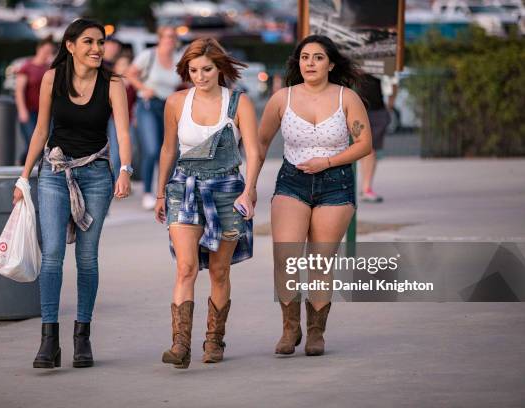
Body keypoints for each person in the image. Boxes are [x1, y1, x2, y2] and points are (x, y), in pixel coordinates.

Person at [13, 19, 133, 369]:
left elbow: (123, 133)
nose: (97, 49)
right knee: (51, 256)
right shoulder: (53, 78)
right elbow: (40, 131)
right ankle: (49, 340)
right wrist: (23, 179)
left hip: (96, 174)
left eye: (100, 42)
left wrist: (125, 170)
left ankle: (83, 337)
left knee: (86, 257)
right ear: (70, 46)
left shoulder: (113, 83)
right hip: (54, 172)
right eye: (89, 42)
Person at [258, 35, 371, 356]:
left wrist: (329, 161)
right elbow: (261, 143)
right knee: (286, 257)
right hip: (292, 181)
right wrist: (249, 184)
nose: (310, 63)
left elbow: (364, 144)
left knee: (320, 260)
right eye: (305, 57)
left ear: (331, 64)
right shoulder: (282, 98)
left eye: (318, 57)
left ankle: (316, 332)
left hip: (336, 183)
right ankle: (289, 327)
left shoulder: (346, 98)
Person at [154, 38, 262, 368]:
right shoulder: (175, 102)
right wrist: (160, 192)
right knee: (185, 267)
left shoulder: (238, 103)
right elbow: (169, 149)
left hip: (228, 189)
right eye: (193, 70)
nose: (199, 76)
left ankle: (214, 340)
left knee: (218, 270)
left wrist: (250, 190)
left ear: (219, 69)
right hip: (183, 188)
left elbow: (254, 152)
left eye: (206, 69)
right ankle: (180, 345)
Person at [127, 26, 182, 210]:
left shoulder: (178, 58)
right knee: (151, 149)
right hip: (148, 105)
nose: (170, 40)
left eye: (173, 36)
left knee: (170, 151)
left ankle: (166, 191)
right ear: (159, 38)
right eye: (166, 36)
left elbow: (185, 80)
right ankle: (148, 193)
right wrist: (143, 88)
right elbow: (130, 74)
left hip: (169, 107)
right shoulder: (148, 55)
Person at [15, 36, 55, 165]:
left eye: (50, 51)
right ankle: (23, 164)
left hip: (46, 112)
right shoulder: (27, 67)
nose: (47, 54)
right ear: (39, 49)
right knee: (32, 141)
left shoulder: (50, 68)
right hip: (30, 111)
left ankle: (34, 168)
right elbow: (19, 90)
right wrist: (22, 110)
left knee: (44, 144)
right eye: (46, 50)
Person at [358, 73, 394, 203]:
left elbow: (392, 81)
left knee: (369, 150)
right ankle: (366, 187)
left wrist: (389, 106)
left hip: (376, 109)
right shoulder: (354, 59)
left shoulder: (380, 61)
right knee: (366, 151)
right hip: (358, 108)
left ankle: (366, 187)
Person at [108, 53, 138, 175]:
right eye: (121, 64)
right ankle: (114, 181)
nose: (124, 67)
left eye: (127, 64)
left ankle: (124, 178)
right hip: (114, 120)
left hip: (130, 120)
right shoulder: (113, 82)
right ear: (115, 67)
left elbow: (137, 102)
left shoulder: (133, 83)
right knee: (115, 152)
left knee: (130, 150)